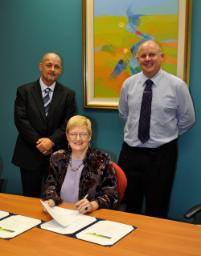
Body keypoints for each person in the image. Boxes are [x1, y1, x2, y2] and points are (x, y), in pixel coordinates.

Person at [118, 40, 195, 218]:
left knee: (158, 206)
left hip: (162, 155)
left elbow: (188, 119)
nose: (147, 59)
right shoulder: (128, 84)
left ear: (162, 57)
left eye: (152, 54)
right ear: (138, 59)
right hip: (131, 153)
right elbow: (124, 114)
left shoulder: (177, 86)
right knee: (129, 205)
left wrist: (166, 134)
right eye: (143, 56)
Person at [12, 52, 77, 198]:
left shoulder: (68, 94)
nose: (52, 69)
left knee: (55, 198)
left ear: (60, 70)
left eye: (57, 67)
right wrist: (40, 143)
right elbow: (21, 120)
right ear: (40, 67)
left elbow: (69, 122)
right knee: (29, 198)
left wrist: (51, 141)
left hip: (56, 155)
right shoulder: (24, 91)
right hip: (29, 154)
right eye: (49, 65)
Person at [42, 115, 118, 214]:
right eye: (73, 134)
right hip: (60, 214)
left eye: (83, 134)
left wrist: (92, 205)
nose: (78, 138)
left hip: (89, 215)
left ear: (90, 136)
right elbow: (50, 186)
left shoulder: (101, 159)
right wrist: (51, 201)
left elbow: (112, 195)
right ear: (67, 136)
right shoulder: (57, 158)